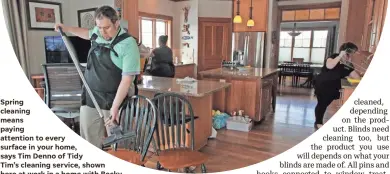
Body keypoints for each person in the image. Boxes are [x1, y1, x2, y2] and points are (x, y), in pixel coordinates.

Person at [54, 6, 140, 148]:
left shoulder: (128, 44)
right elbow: (87, 33)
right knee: (89, 141)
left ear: (117, 23)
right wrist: (66, 28)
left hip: (114, 100)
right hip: (91, 97)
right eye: (99, 27)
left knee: (120, 146)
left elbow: (126, 80)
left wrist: (115, 107)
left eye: (106, 28)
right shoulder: (97, 33)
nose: (102, 32)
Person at [314, 42, 362, 129]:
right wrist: (340, 56)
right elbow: (329, 66)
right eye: (349, 54)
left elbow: (356, 77)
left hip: (334, 87)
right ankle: (318, 122)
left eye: (352, 55)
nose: (350, 57)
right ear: (344, 52)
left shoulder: (348, 65)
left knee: (325, 104)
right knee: (322, 104)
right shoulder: (334, 57)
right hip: (323, 84)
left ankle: (318, 121)